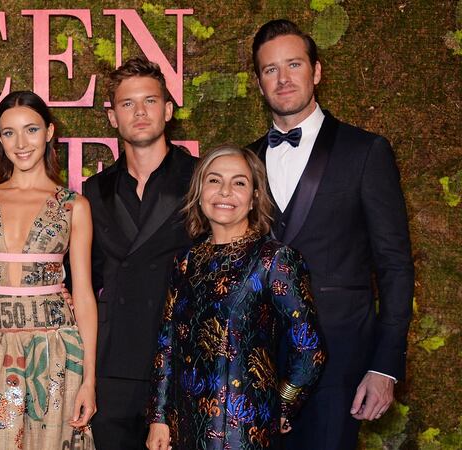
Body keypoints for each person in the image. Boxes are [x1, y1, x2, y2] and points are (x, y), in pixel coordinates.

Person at [247, 19, 414, 449]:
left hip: (340, 361)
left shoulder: (366, 151)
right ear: (258, 82)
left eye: (294, 65)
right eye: (270, 70)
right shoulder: (243, 161)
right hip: (255, 363)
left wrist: (385, 366)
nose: (283, 79)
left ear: (316, 71)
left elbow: (394, 265)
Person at [146, 144, 325, 450]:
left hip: (244, 431)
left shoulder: (274, 260)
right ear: (199, 191)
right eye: (214, 180)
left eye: (239, 182)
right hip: (184, 428)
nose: (225, 192)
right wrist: (159, 418)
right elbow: (167, 345)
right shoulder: (186, 261)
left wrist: (280, 405)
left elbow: (309, 349)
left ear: (255, 196)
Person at [0, 90, 98, 449]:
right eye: (9, 132)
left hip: (55, 346)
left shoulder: (73, 206)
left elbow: (83, 294)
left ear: (49, 132)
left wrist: (89, 379)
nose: (21, 143)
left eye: (31, 130)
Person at [83, 56, 197, 449]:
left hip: (182, 361)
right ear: (113, 116)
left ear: (167, 109)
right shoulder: (93, 190)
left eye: (149, 101)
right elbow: (83, 280)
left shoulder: (203, 180)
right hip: (111, 364)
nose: (140, 112)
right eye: (127, 104)